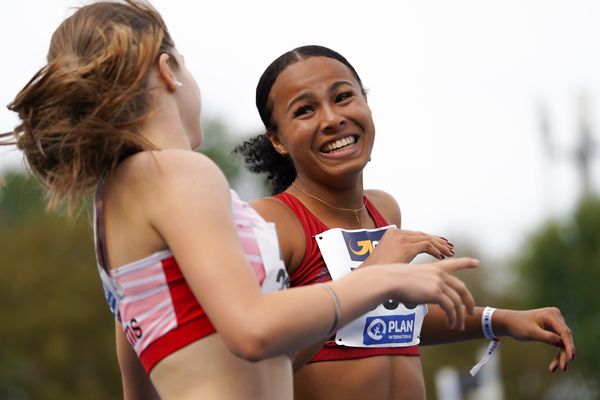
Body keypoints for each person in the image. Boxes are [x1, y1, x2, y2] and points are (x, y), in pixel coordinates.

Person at [1, 4, 483, 399]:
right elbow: (252, 329)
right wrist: (384, 277)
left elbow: (138, 382)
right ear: (169, 70)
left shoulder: (116, 200)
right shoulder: (179, 172)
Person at [235, 44, 576, 400]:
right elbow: (263, 361)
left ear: (366, 104)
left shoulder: (385, 209)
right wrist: (373, 274)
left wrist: (500, 320)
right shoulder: (270, 221)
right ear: (277, 140)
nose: (332, 118)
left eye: (343, 96)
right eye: (305, 110)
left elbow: (392, 322)